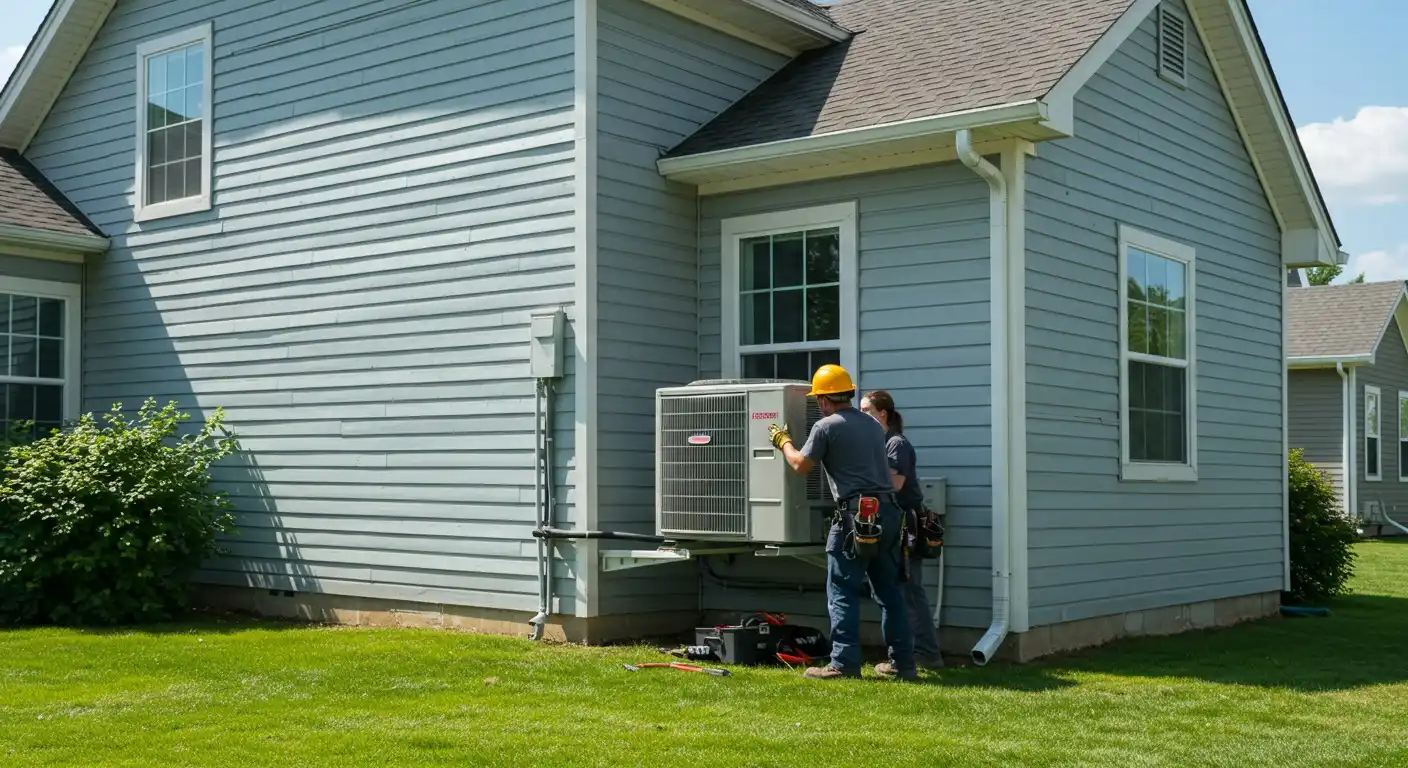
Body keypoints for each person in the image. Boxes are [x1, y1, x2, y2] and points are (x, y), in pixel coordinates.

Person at [767, 364, 917, 681]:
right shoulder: (874, 427)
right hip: (889, 514)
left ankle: (843, 664)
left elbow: (800, 465)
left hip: (856, 515)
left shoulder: (825, 427)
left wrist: (783, 442)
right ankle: (903, 665)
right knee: (890, 594)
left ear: (822, 399)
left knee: (842, 590)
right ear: (847, 393)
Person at [861, 390, 944, 670]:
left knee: (907, 590)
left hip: (906, 526)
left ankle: (924, 654)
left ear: (882, 413)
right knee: (894, 590)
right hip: (891, 524)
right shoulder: (879, 443)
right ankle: (908, 654)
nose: (860, 417)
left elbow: (895, 485)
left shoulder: (896, 444)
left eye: (865, 410)